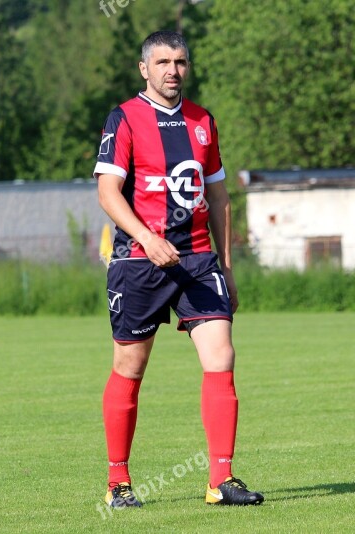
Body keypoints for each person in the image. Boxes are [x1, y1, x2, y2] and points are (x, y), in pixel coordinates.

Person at [93, 30, 264, 508]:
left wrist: (226, 267)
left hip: (197, 258)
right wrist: (147, 239)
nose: (173, 70)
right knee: (130, 367)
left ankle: (221, 481)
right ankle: (118, 483)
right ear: (144, 69)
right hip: (138, 261)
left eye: (181, 61)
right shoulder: (123, 118)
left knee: (222, 356)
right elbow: (108, 194)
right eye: (163, 61)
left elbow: (219, 196)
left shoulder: (203, 121)